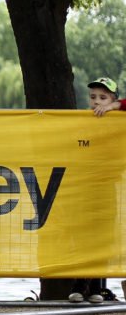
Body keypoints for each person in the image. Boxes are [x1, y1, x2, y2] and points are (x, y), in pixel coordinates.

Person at [64, 77, 123, 303]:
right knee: (81, 237)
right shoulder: (82, 121)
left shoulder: (117, 120)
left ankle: (98, 288)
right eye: (93, 97)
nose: (96, 102)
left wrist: (115, 107)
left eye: (103, 98)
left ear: (112, 99)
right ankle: (79, 286)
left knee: (103, 239)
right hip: (83, 189)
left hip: (107, 190)